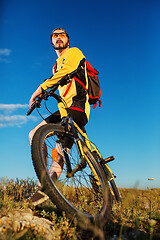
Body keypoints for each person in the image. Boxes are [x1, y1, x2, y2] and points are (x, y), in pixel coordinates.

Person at [28, 27, 90, 205]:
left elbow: (67, 71)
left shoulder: (74, 53)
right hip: (63, 110)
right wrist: (42, 96)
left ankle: (46, 187)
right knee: (34, 134)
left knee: (60, 149)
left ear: (68, 40)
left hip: (77, 107)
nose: (58, 37)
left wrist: (40, 88)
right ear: (52, 42)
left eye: (62, 34)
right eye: (55, 35)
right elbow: (59, 80)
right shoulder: (56, 66)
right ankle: (45, 180)